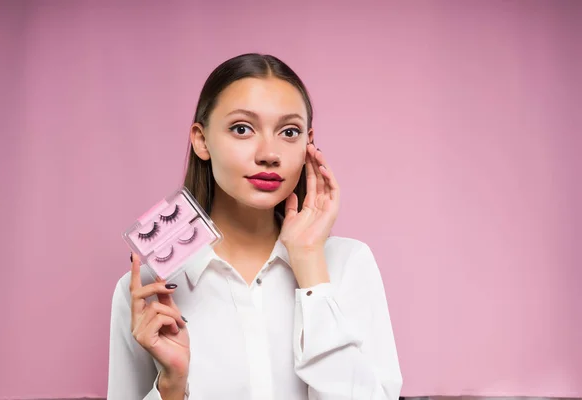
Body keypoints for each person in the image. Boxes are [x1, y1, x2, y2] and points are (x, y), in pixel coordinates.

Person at [107, 53, 403, 399]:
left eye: (289, 132)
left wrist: (310, 273)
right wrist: (171, 387)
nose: (269, 153)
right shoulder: (149, 288)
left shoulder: (348, 263)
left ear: (308, 144)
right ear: (201, 140)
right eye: (242, 128)